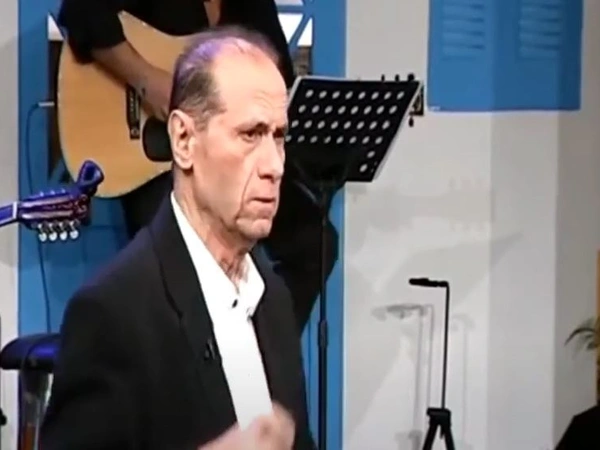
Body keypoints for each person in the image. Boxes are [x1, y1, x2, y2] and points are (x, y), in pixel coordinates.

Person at [41, 27, 316, 450]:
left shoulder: (273, 298)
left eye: (278, 137)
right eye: (250, 134)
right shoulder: (112, 314)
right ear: (184, 140)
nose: (274, 166)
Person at [57, 0, 338, 332]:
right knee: (186, 262)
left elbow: (277, 71)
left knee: (316, 242)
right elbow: (81, 11)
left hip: (236, 166)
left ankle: (261, 349)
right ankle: (198, 357)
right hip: (162, 162)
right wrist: (147, 80)